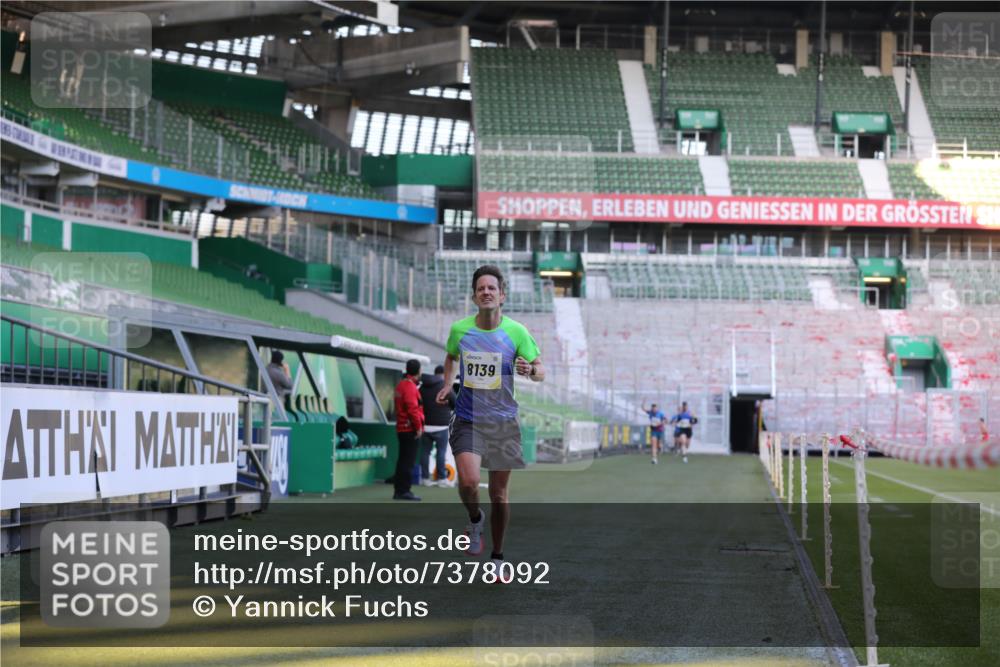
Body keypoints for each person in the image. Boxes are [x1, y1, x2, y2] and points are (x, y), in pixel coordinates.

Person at [437, 265, 543, 578]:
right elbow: (450, 356)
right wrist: (447, 383)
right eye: (481, 288)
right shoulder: (460, 330)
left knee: (499, 495)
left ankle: (497, 557)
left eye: (491, 288)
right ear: (474, 296)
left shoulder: (517, 332)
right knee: (468, 482)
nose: (486, 292)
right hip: (469, 419)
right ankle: (474, 519)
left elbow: (540, 371)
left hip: (504, 424)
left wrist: (530, 371)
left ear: (502, 295)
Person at [392, 359, 425, 501]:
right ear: (418, 371)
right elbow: (413, 410)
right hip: (409, 429)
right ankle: (404, 490)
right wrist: (418, 427)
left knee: (402, 460)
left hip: (401, 427)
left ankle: (399, 490)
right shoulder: (410, 388)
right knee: (408, 461)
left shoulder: (400, 385)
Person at [420, 365, 455, 487]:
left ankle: (424, 478)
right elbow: (455, 404)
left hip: (425, 426)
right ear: (443, 374)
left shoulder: (422, 387)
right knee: (441, 452)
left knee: (425, 452)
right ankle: (441, 479)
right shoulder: (445, 387)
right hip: (441, 426)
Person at [641, 400, 667, 464]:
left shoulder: (661, 413)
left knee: (659, 445)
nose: (654, 410)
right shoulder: (650, 412)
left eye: (655, 408)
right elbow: (643, 409)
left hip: (660, 431)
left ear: (657, 408)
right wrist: (643, 402)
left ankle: (660, 448)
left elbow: (666, 420)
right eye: (653, 408)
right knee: (653, 444)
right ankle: (654, 459)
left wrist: (660, 423)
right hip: (654, 430)